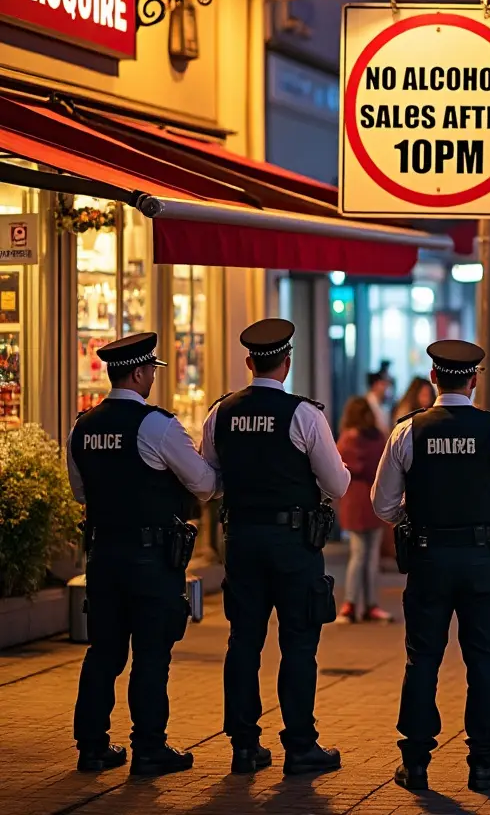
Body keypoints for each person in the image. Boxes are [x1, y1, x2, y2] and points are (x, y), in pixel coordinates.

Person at [370, 340, 490, 793]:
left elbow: (383, 503)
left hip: (427, 558)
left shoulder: (408, 431)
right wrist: (485, 511)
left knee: (422, 659)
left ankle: (417, 762)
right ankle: (484, 763)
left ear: (433, 379)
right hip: (482, 560)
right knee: (484, 660)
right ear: (475, 379)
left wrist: (421, 517)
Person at [203, 319, 352, 776]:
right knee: (299, 644)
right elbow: (338, 483)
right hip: (293, 543)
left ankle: (244, 746)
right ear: (286, 364)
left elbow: (208, 482)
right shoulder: (304, 415)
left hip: (242, 540)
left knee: (243, 641)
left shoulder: (220, 413)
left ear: (250, 363)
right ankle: (300, 746)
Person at [68, 332, 219, 776]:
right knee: (152, 655)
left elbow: (81, 492)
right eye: (152, 369)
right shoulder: (158, 426)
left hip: (103, 556)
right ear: (138, 372)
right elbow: (205, 485)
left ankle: (92, 747)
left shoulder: (83, 425)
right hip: (151, 560)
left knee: (104, 652)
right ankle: (149, 748)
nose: (153, 376)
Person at [336, 397, 391, 624]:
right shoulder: (378, 438)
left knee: (358, 555)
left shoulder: (347, 440)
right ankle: (371, 604)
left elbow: (339, 466)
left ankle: (350, 604)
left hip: (353, 503)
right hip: (375, 501)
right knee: (370, 557)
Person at [366, 366, 394, 432]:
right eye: (383, 384)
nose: (386, 387)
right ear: (375, 385)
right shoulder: (368, 403)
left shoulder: (381, 403)